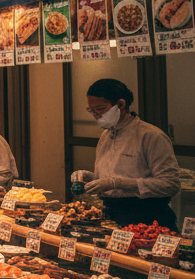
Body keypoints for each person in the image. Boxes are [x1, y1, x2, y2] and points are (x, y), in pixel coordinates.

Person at [72, 79, 180, 229]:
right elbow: (112, 176)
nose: (95, 115)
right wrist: (92, 178)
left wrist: (119, 183)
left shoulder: (150, 135)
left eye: (100, 109)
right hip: (112, 214)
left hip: (146, 217)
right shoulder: (105, 135)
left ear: (121, 104)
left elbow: (170, 184)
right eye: (91, 110)